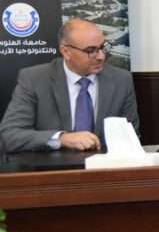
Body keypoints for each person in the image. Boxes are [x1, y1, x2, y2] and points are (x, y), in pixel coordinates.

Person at [0, 18, 139, 153]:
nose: (101, 56)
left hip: (103, 166)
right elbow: (10, 135)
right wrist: (61, 139)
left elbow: (131, 138)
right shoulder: (35, 79)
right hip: (51, 166)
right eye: (91, 50)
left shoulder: (121, 80)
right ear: (66, 52)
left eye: (103, 47)